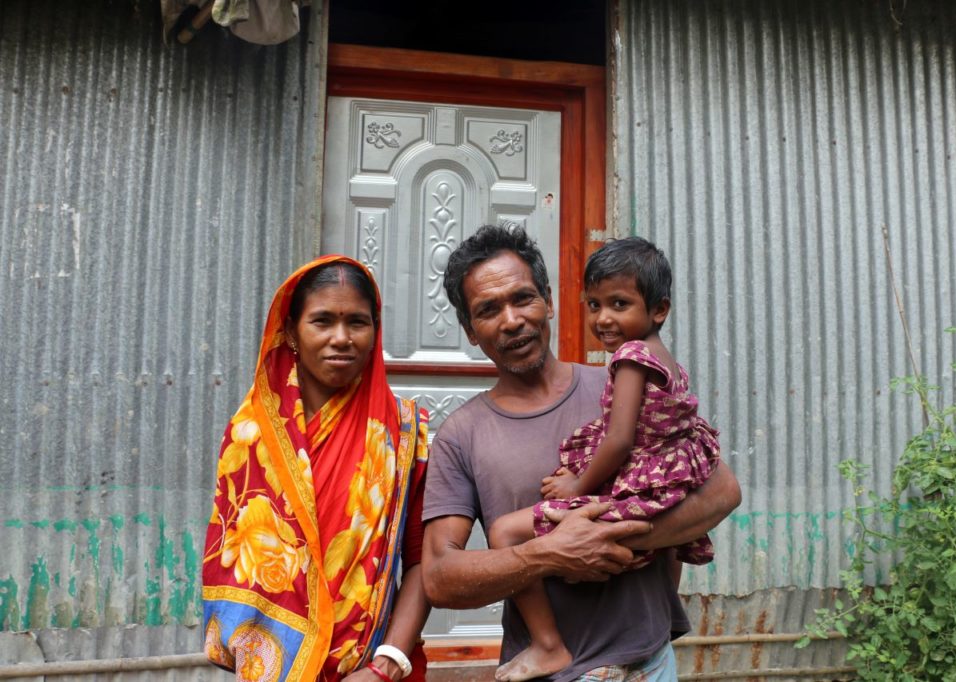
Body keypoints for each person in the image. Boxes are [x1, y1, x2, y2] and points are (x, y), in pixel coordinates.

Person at [422, 225, 741, 682]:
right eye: (488, 310)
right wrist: (548, 554)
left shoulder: (621, 387)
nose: (512, 320)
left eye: (523, 298)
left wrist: (605, 541)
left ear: (549, 302)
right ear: (471, 331)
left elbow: (722, 491)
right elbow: (439, 577)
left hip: (650, 664)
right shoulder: (461, 435)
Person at [202, 255, 431, 682]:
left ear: (375, 330)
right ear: (291, 331)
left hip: (371, 668)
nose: (341, 338)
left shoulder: (403, 432)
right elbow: (233, 563)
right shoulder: (251, 433)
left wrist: (386, 665)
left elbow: (422, 560)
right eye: (322, 321)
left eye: (357, 322)